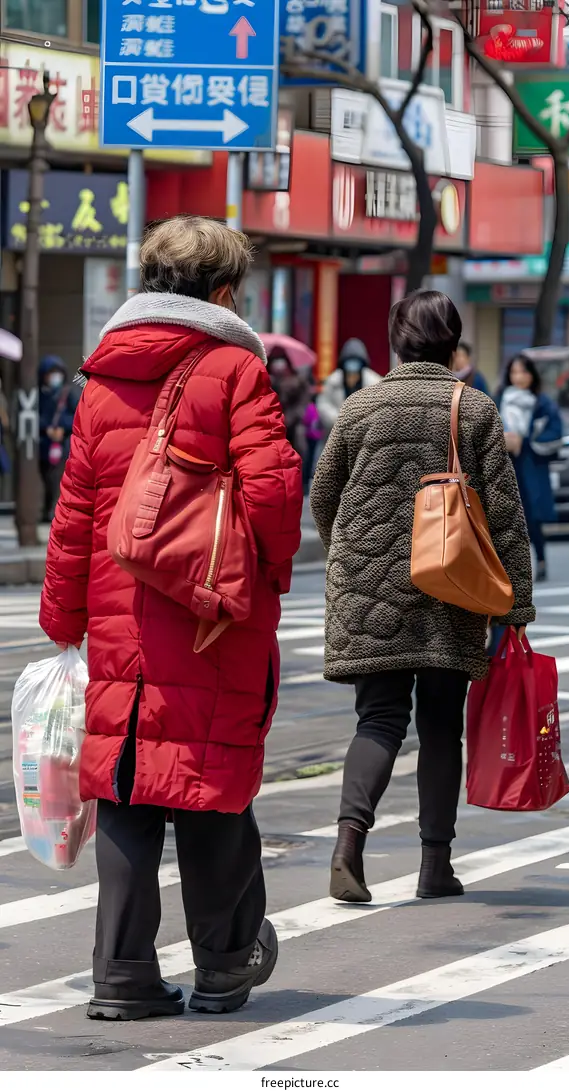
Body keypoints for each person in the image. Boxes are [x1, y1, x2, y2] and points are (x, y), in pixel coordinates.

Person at [39, 216, 303, 1021]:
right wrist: (272, 572)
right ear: (225, 291)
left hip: (121, 619)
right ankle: (224, 965)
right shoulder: (235, 370)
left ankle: (121, 974)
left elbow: (76, 512)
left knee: (126, 783)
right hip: (210, 617)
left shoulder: (101, 379)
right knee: (209, 781)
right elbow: (273, 497)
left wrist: (63, 616)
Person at [310, 290, 535, 905]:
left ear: (396, 340)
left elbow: (322, 493)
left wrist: (352, 556)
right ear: (452, 343)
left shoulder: (361, 406)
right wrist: (514, 608)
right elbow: (507, 518)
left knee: (378, 720)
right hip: (452, 591)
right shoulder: (473, 408)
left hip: (371, 593)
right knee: (441, 727)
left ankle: (348, 849)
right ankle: (435, 866)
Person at [499, 354, 562, 583]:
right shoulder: (501, 399)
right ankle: (512, 569)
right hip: (506, 465)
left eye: (523, 372)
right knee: (508, 519)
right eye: (514, 372)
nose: (519, 377)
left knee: (532, 518)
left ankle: (541, 560)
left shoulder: (542, 403)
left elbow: (555, 433)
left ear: (532, 375)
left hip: (531, 465)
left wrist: (526, 440)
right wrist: (504, 440)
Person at [38, 355, 79, 523]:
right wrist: (46, 428)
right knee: (47, 478)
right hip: (43, 445)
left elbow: (77, 416)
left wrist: (62, 428)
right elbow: (33, 417)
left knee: (60, 478)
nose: (55, 376)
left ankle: (57, 511)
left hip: (63, 445)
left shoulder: (68, 393)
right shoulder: (38, 395)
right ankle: (47, 508)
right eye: (50, 373)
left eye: (57, 372)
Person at [317, 338, 380, 434]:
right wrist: (340, 421)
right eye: (349, 374)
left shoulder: (374, 382)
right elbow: (323, 405)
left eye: (355, 374)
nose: (352, 377)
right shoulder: (332, 381)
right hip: (335, 435)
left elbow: (379, 408)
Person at [266, 348, 310, 459]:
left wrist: (294, 415)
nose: (279, 365)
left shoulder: (297, 381)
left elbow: (303, 400)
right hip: (272, 427)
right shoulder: (267, 380)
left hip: (293, 426)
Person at [302, 390, 323, 495]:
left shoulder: (309, 408)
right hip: (313, 437)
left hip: (310, 437)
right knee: (309, 460)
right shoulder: (314, 408)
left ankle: (305, 484)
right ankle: (305, 484)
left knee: (308, 460)